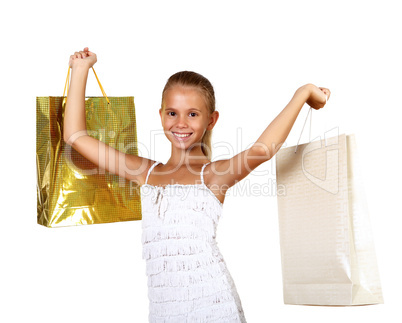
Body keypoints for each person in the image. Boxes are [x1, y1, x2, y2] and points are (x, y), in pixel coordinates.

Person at [64, 47, 330, 322]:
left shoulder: (214, 175)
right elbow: (75, 136)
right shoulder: (145, 172)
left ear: (211, 120)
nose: (180, 123)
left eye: (192, 114)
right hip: (165, 310)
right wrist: (80, 69)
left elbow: (263, 149)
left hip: (213, 305)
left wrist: (303, 93)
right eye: (172, 113)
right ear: (160, 116)